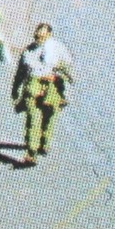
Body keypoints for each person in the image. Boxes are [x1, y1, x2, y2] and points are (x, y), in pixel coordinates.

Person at [11, 23, 75, 166]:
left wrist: (62, 74)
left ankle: (44, 142)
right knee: (33, 119)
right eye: (37, 35)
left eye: (43, 35)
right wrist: (15, 89)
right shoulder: (29, 50)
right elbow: (20, 71)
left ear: (49, 34)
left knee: (50, 116)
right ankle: (31, 152)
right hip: (33, 85)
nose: (39, 38)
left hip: (52, 86)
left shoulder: (58, 48)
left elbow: (68, 65)